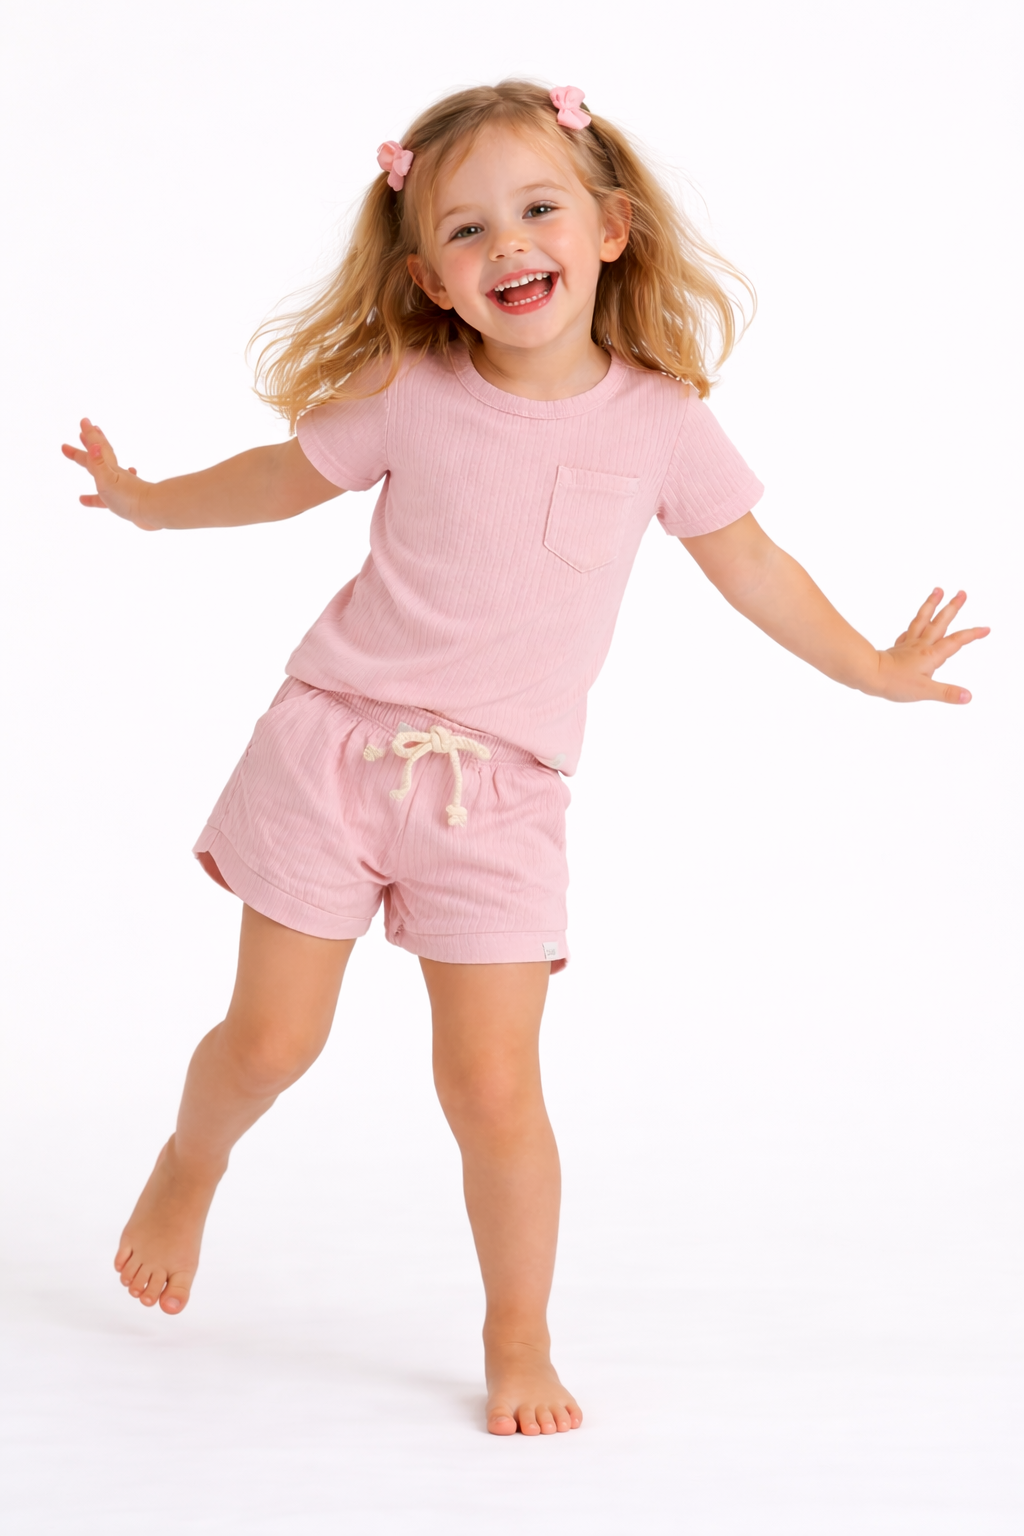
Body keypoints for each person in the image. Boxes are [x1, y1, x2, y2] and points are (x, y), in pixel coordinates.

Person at [61, 80, 988, 1437]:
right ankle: (188, 1166)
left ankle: (517, 1332)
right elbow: (277, 478)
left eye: (537, 210)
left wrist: (878, 669)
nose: (509, 246)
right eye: (468, 229)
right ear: (431, 278)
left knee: (492, 1086)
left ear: (609, 229)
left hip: (497, 797)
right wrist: (149, 506)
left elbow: (755, 567)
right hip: (329, 748)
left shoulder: (663, 421)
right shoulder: (410, 390)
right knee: (270, 1040)